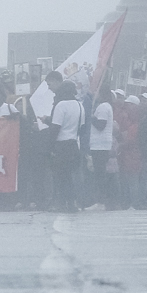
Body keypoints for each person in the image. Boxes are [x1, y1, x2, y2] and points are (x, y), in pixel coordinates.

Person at [49, 81, 85, 212]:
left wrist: (50, 146)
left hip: (61, 145)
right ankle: (72, 202)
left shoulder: (61, 105)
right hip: (74, 144)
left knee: (60, 176)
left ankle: (62, 202)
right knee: (70, 175)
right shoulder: (80, 106)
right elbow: (82, 128)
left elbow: (55, 128)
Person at [85, 90, 118, 209]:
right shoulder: (105, 106)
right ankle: (101, 201)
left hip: (100, 144)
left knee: (99, 173)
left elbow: (101, 125)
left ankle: (100, 201)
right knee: (100, 173)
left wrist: (91, 117)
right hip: (100, 144)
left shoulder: (104, 107)